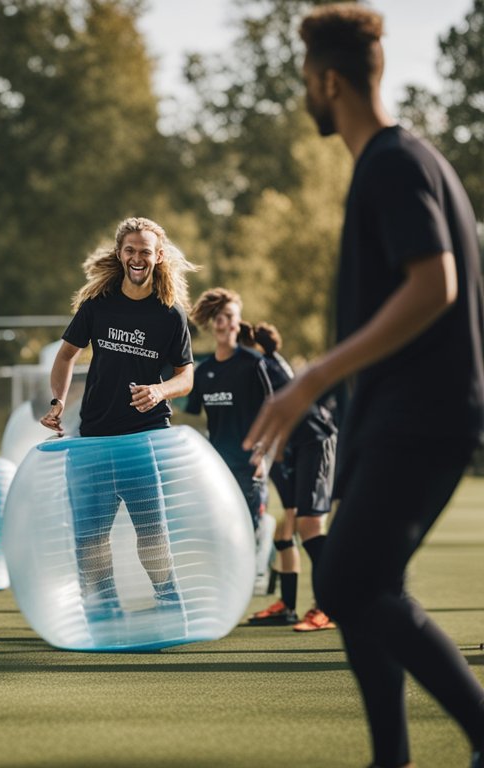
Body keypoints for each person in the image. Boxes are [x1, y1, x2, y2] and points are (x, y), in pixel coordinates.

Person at [245, 6, 484, 766]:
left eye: (306, 83)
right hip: (394, 416)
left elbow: (436, 282)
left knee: (346, 580)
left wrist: (311, 378)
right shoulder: (408, 159)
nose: (305, 97)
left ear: (329, 80)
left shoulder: (393, 162)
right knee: (361, 585)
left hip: (425, 416)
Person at [40, 217, 195, 620]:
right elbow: (65, 355)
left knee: (152, 533)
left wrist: (160, 390)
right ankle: (105, 607)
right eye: (130, 250)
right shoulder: (97, 305)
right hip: (93, 437)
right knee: (90, 536)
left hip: (145, 439)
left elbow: (186, 376)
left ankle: (168, 599)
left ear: (158, 257)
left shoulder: (170, 315)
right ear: (120, 254)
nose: (138, 258)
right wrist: (57, 402)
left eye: (146, 251)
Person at [245, 322, 338, 631]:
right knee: (285, 530)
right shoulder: (265, 363)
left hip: (314, 441)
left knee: (309, 526)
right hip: (293, 449)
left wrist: (265, 452)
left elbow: (282, 413)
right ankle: (287, 606)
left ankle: (331, 607)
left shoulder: (261, 365)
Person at [184, 288, 276, 598]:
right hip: (218, 466)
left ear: (238, 323)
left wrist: (263, 453)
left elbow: (272, 409)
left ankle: (257, 566)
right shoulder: (204, 370)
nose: (226, 324)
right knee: (220, 528)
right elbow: (193, 416)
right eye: (220, 318)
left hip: (249, 461)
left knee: (247, 530)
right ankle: (234, 580)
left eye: (232, 318)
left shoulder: (253, 364)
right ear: (212, 323)